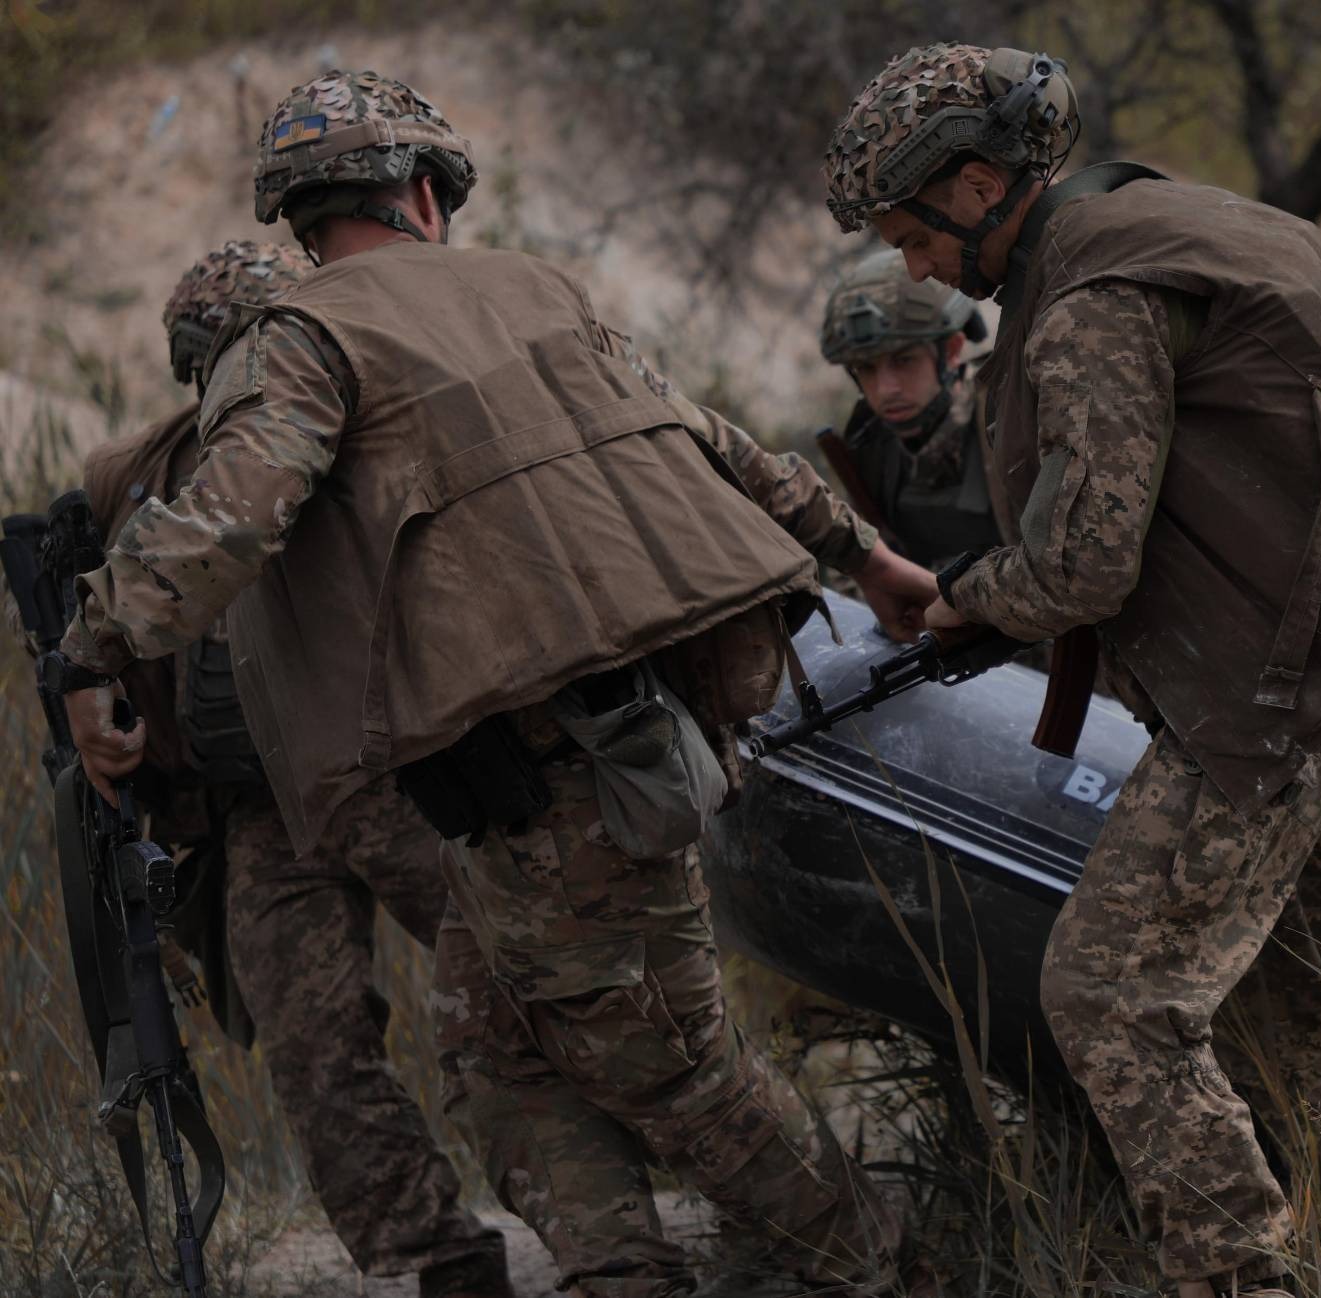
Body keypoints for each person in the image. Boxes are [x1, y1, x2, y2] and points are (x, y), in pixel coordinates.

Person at [57, 70, 937, 1297]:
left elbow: (230, 517)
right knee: (500, 1051)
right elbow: (706, 436)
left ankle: (876, 1261)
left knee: (666, 1063)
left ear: (303, 218)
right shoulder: (534, 289)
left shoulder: (301, 339)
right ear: (424, 192)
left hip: (554, 766)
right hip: (581, 753)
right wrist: (866, 553)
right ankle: (624, 1272)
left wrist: (87, 651)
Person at [824, 42, 1321, 1298]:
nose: (914, 267)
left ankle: (1238, 1273)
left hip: (1267, 697)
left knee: (1110, 994)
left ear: (978, 185)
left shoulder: (1088, 299)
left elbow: (1084, 563)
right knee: (1291, 996)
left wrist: (963, 599)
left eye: (913, 235)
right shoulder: (1159, 211)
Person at [14, 241, 511, 1298]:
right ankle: (440, 1258)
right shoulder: (136, 475)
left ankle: (615, 1222)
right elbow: (86, 618)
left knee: (526, 986)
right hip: (258, 812)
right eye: (215, 357)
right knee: (312, 1047)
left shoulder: (372, 434)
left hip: (397, 777)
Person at [818, 248, 999, 568]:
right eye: (866, 368)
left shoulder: (1007, 421)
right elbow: (861, 564)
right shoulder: (871, 444)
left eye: (904, 360)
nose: (885, 389)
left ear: (951, 351)